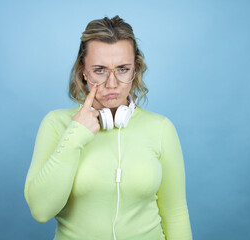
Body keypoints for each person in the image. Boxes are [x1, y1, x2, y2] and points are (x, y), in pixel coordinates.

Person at [24, 15, 193, 240]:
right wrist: (74, 136)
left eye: (122, 69)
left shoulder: (161, 128)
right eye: (100, 70)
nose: (112, 83)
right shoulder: (56, 124)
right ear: (83, 71)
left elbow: (175, 213)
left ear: (136, 70)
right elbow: (41, 210)